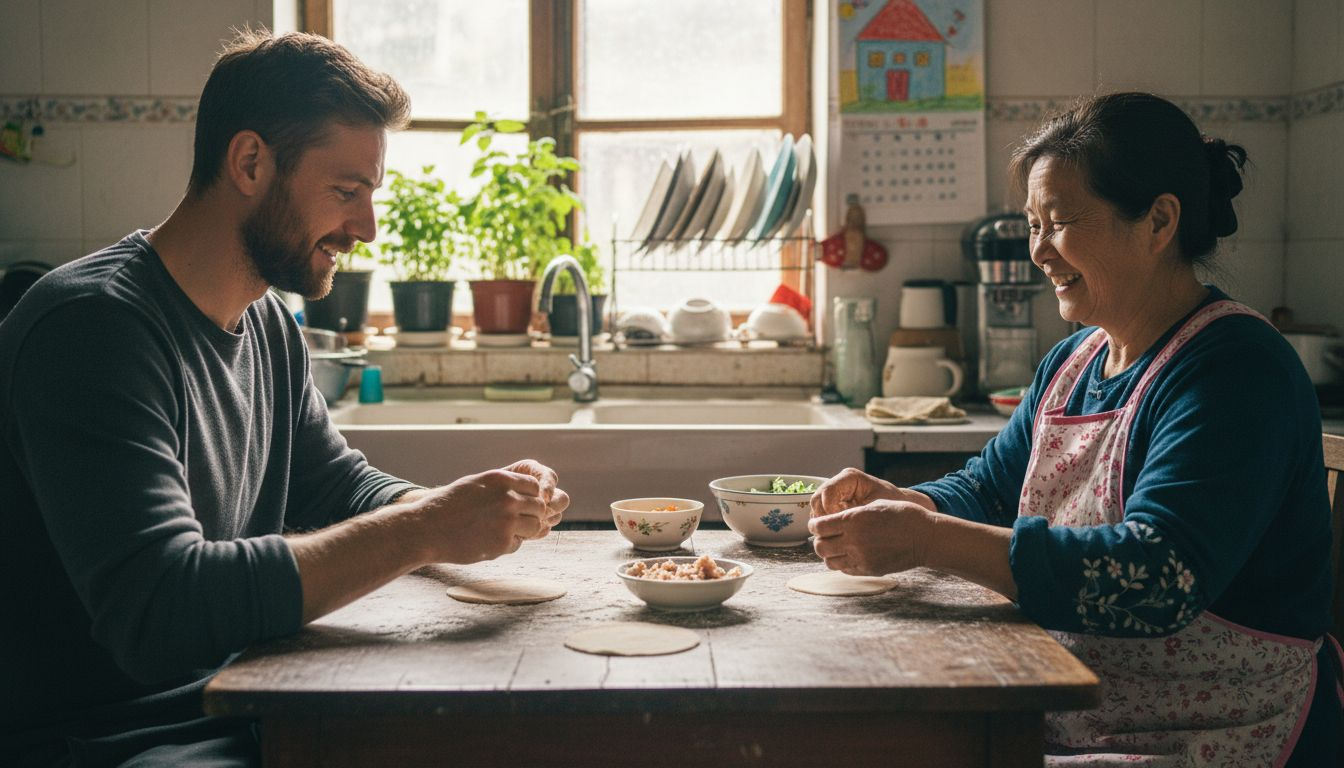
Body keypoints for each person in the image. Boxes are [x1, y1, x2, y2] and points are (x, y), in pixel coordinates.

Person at [0, 30, 569, 767]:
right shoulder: (91, 328)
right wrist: (427, 528)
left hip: (241, 696)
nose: (365, 228)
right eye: (345, 192)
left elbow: (332, 484)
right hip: (112, 740)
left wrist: (468, 506)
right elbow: (159, 611)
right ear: (248, 163)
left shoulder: (266, 320)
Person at [808, 92, 1342, 765]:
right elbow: (992, 486)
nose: (1038, 251)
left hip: (1218, 734)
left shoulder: (1234, 370)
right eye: (1032, 225)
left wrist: (930, 540)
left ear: (1158, 222)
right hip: (1079, 709)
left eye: (1057, 222)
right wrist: (912, 505)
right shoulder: (1075, 359)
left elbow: (1158, 578)